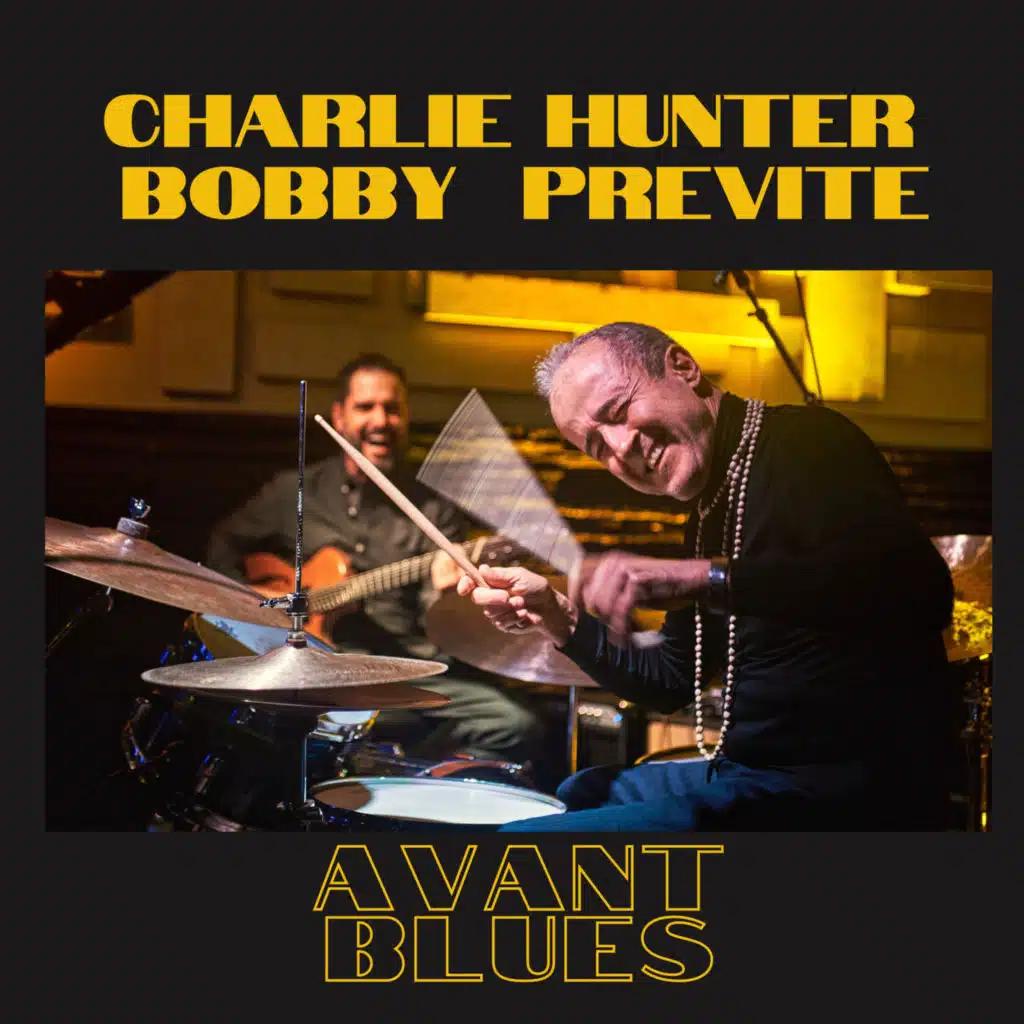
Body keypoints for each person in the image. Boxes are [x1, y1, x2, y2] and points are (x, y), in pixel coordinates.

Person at [456, 322, 958, 831]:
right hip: (751, 774)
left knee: (520, 840)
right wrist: (556, 615)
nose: (620, 449)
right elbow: (672, 681)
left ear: (683, 368)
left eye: (619, 411)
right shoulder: (709, 509)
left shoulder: (809, 441)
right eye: (597, 446)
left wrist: (702, 578)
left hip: (838, 789)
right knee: (578, 792)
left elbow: (922, 591)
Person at [206, 352, 541, 767]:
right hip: (317, 667)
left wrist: (447, 596)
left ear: (406, 416)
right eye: (366, 407)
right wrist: (253, 607)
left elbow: (442, 628)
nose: (381, 420)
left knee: (513, 723)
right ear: (340, 416)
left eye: (392, 408)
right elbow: (223, 542)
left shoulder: (435, 508)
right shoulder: (295, 492)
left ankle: (409, 776)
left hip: (406, 670)